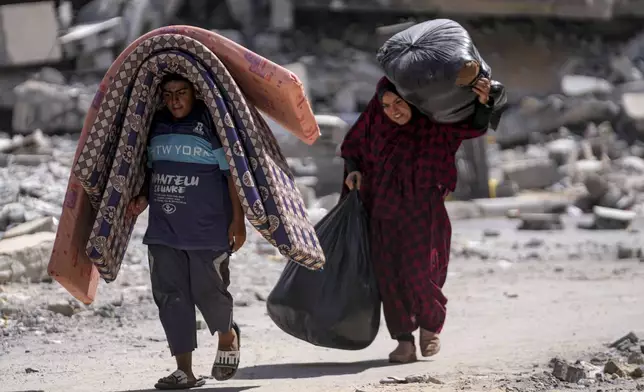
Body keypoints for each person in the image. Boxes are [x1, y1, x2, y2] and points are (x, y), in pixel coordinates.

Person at [340, 75, 494, 364]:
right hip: (382, 212)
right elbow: (352, 149)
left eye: (399, 102)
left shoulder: (434, 127)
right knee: (389, 279)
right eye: (386, 105)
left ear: (412, 101)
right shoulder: (374, 125)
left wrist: (483, 103)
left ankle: (430, 324)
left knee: (419, 273)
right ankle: (404, 341)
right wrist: (353, 171)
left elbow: (470, 127)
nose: (393, 110)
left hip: (423, 212)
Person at [127, 73, 247, 389]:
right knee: (171, 297)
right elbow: (151, 170)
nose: (175, 100)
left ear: (195, 93)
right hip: (164, 230)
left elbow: (232, 174)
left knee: (210, 292)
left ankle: (227, 335)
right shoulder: (155, 126)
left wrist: (238, 220)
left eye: (181, 92)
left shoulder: (211, 125)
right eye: (168, 94)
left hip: (207, 229)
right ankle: (185, 371)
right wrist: (142, 196)